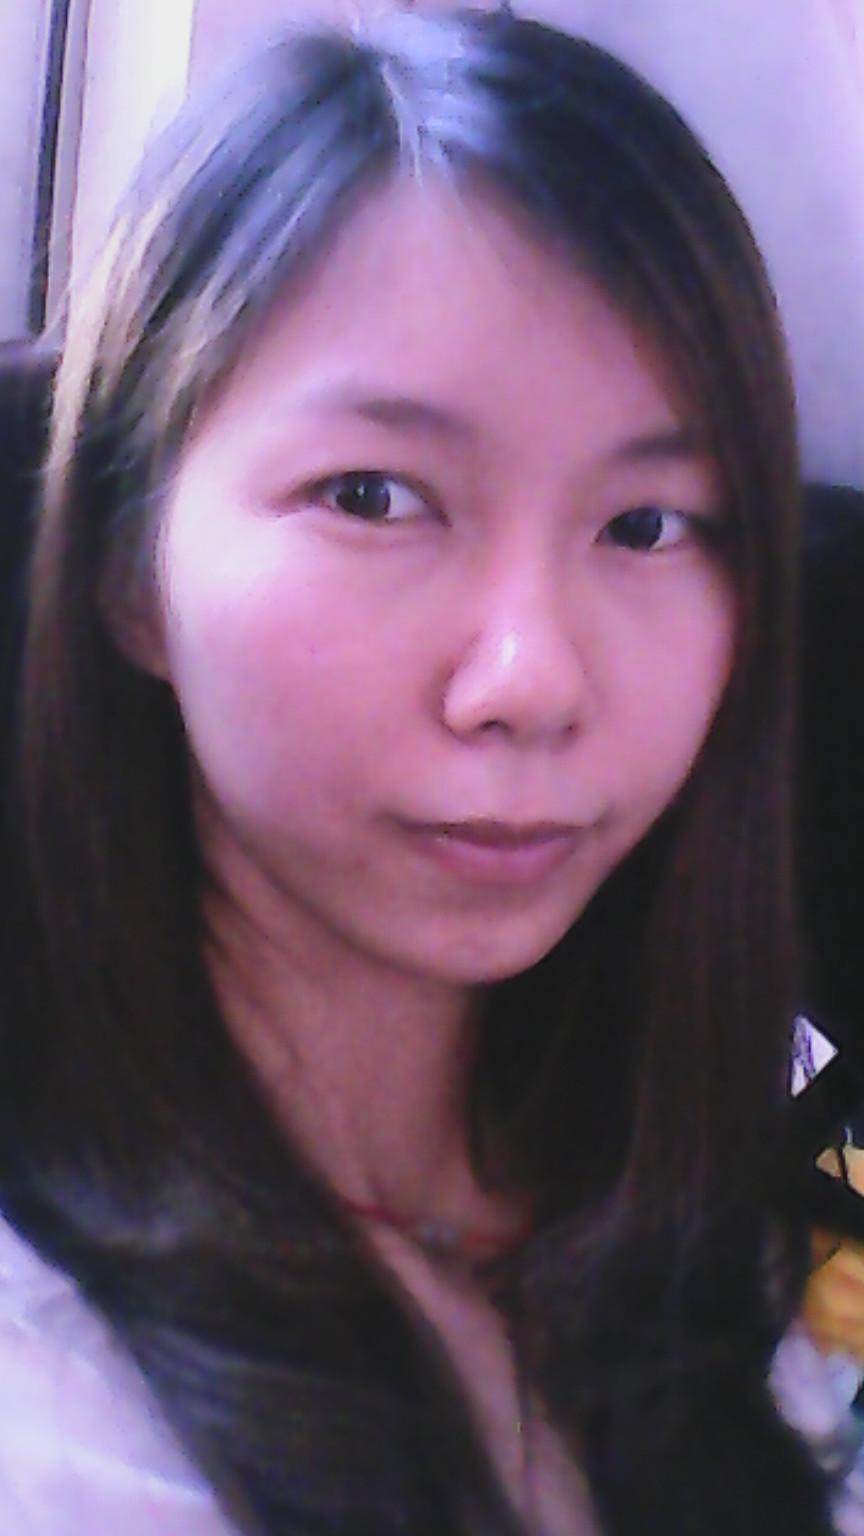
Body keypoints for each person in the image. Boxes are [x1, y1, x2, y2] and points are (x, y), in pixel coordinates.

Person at [0, 6, 856, 1533]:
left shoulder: (738, 1171)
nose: (530, 680)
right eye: (374, 497)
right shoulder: (52, 1404)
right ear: (131, 572)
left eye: (647, 525)